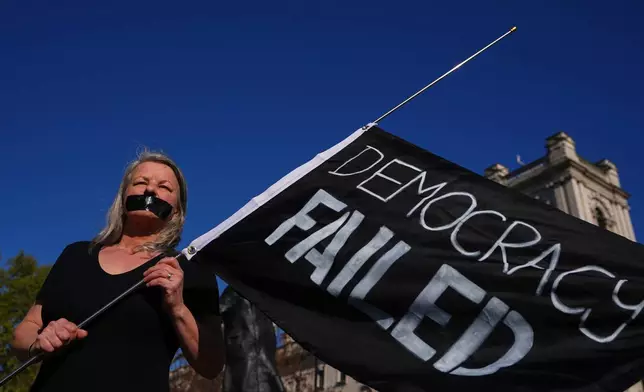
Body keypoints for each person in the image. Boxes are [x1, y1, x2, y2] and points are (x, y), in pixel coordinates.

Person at [10, 150, 225, 391]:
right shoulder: (77, 255)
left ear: (176, 209)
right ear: (123, 197)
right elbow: (23, 333)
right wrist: (38, 342)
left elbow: (211, 365)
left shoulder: (189, 270)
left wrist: (177, 308)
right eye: (141, 182)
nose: (150, 191)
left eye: (164, 187)